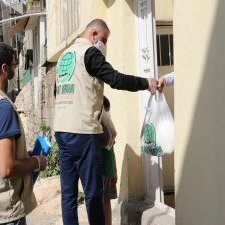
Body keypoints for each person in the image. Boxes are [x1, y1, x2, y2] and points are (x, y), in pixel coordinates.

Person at [54, 19, 158, 225]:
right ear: (93, 34)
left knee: (68, 196)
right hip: (83, 132)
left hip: (62, 131)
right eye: (103, 39)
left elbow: (59, 92)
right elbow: (116, 79)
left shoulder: (64, 56)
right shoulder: (89, 53)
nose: (104, 45)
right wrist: (146, 83)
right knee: (93, 195)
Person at [0, 42, 47, 225]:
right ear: (4, 68)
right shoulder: (2, 107)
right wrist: (36, 162)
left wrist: (22, 156)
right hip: (4, 211)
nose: (16, 68)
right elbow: (6, 169)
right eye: (14, 65)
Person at [99, 96, 117, 225]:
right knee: (104, 202)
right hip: (105, 169)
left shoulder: (105, 128)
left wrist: (115, 171)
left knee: (103, 202)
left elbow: (112, 151)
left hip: (105, 170)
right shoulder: (107, 128)